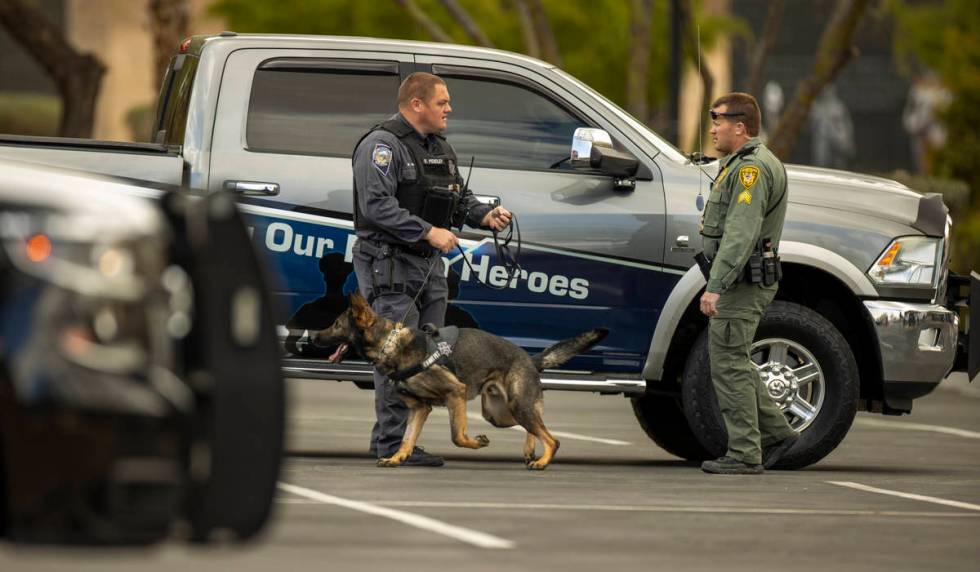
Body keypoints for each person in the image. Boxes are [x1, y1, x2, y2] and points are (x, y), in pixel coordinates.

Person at [351, 72, 513, 467]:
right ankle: (392, 444)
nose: (449, 109)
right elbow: (377, 207)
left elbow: (458, 197)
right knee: (396, 355)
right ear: (416, 104)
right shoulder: (382, 146)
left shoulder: (438, 147)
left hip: (427, 267)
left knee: (427, 356)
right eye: (442, 102)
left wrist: (484, 215)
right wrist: (429, 232)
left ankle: (402, 442)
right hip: (390, 261)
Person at [698, 92, 798, 475]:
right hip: (743, 280)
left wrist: (716, 285)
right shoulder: (743, 164)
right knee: (735, 361)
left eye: (718, 120)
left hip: (740, 283)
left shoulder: (750, 170)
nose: (712, 128)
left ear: (740, 127)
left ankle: (743, 453)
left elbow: (740, 234)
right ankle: (778, 433)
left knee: (727, 365)